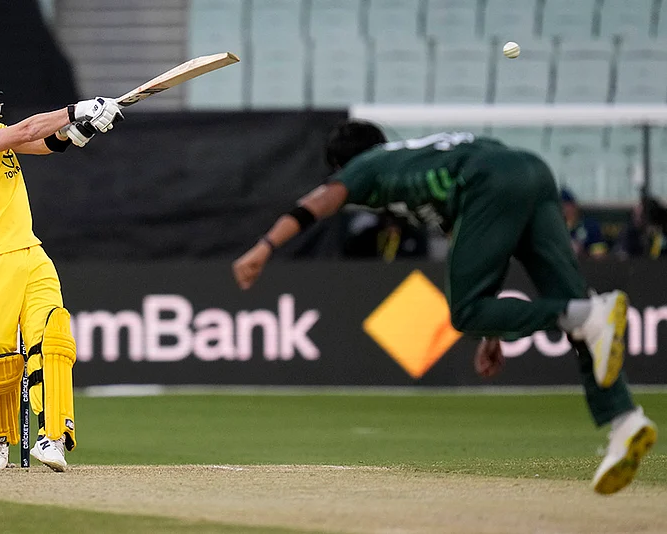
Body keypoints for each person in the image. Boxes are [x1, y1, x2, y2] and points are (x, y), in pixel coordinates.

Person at [232, 120, 657, 495]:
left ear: (343, 165)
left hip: (487, 181)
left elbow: (319, 202)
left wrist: (264, 248)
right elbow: (483, 242)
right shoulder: (417, 160)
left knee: (467, 312)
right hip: (532, 171)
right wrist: (494, 331)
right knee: (577, 315)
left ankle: (590, 316)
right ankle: (625, 421)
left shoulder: (366, 166)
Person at [0, 68, 123, 471]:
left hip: (30, 252)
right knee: (0, 353)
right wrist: (76, 109)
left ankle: (52, 437)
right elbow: (25, 131)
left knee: (54, 337)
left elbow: (41, 142)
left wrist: (78, 132)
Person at [560, 188, 608, 259]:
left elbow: (600, 254)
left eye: (568, 205)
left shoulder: (590, 226)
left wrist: (582, 250)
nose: (565, 209)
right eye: (562, 206)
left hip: (587, 266)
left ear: (574, 206)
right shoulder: (556, 229)